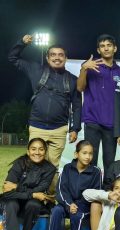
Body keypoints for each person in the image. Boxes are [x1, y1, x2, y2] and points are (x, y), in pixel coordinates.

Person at [8, 34, 82, 189]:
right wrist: (21, 43)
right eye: (53, 55)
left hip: (59, 130)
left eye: (60, 55)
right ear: (47, 58)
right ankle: (31, 198)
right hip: (37, 127)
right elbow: (12, 58)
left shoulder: (73, 80)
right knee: (33, 164)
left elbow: (77, 106)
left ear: (65, 58)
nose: (57, 58)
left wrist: (75, 128)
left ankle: (48, 201)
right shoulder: (36, 69)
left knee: (52, 168)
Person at [36, 140, 102, 230]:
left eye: (91, 153)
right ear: (76, 154)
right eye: (84, 153)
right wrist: (69, 204)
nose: (88, 156)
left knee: (76, 215)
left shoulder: (96, 171)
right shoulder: (67, 168)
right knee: (56, 210)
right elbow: (61, 190)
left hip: (84, 208)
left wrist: (77, 205)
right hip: (67, 204)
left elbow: (95, 193)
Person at [0, 138, 56, 230]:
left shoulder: (50, 169)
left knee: (34, 204)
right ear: (28, 151)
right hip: (13, 200)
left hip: (31, 201)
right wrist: (32, 193)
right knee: (11, 203)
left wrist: (18, 188)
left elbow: (40, 190)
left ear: (45, 152)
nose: (37, 152)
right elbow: (8, 192)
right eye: (33, 149)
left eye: (41, 149)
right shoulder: (20, 163)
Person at [77, 34, 120, 170]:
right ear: (98, 50)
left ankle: (107, 189)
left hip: (111, 123)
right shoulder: (90, 67)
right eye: (102, 46)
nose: (106, 49)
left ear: (115, 48)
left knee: (109, 161)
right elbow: (80, 88)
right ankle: (90, 189)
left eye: (109, 45)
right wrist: (84, 69)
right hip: (92, 120)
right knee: (89, 159)